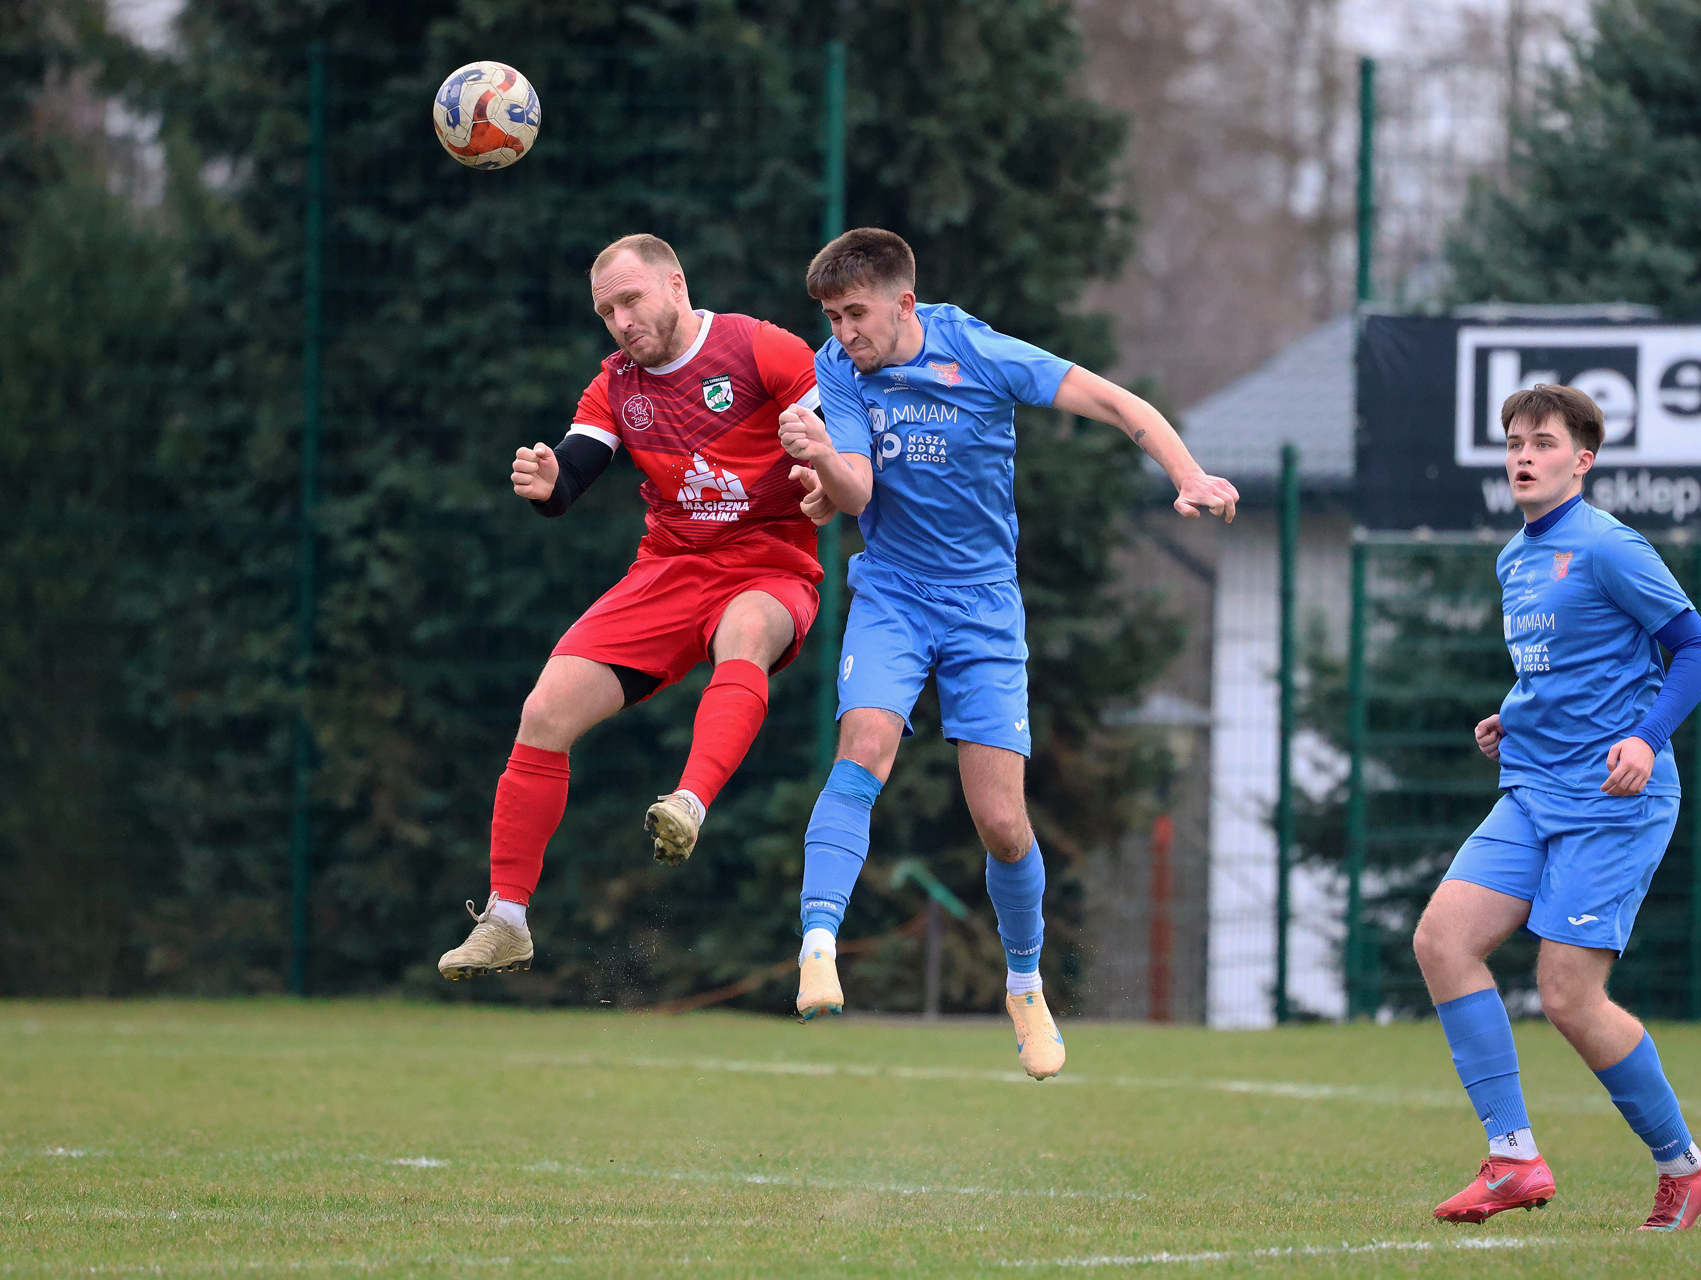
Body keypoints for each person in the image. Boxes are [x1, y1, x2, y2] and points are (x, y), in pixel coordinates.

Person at [776, 228, 1239, 1078]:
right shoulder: (837, 369)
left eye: (856, 314)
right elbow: (857, 490)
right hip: (892, 595)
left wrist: (1189, 475)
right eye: (833, 318)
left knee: (1001, 823)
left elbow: (1119, 405)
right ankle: (818, 942)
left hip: (984, 610)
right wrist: (820, 460)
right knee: (864, 748)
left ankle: (1024, 985)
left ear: (904, 303)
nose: (844, 333)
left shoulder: (978, 352)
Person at [436, 233, 826, 979]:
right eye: (606, 311)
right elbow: (575, 471)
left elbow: (841, 442)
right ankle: (507, 918)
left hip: (768, 562)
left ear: (676, 285)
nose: (620, 321)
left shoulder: (760, 348)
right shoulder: (615, 385)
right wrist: (549, 483)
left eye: (631, 300)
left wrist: (823, 474)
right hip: (669, 571)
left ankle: (690, 802)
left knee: (746, 632)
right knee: (544, 712)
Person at [1414, 384, 1701, 1230]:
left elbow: (1698, 651)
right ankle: (1513, 1157)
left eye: (1543, 443)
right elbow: (1564, 667)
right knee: (1443, 942)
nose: (1524, 456)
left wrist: (1647, 739)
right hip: (1531, 789)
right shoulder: (1514, 558)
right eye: (1515, 442)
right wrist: (1511, 716)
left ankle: (1685, 1168)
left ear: (1581, 461)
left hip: (1614, 799)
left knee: (1566, 995)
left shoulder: (1609, 546)